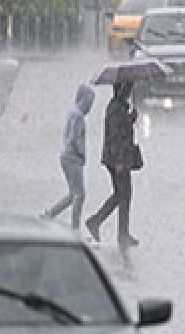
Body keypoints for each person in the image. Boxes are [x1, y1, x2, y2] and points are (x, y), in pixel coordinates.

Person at [86, 81, 141, 248]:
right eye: (128, 89)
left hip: (120, 157)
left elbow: (122, 129)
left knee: (124, 194)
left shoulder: (119, 107)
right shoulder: (117, 109)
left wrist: (131, 118)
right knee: (121, 194)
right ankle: (96, 221)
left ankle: (122, 233)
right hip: (117, 158)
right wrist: (118, 160)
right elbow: (116, 136)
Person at [42, 83, 95, 231]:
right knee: (80, 194)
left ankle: (51, 214)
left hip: (66, 156)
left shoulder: (72, 112)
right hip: (73, 158)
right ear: (83, 100)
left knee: (73, 193)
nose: (90, 107)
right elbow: (75, 138)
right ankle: (75, 228)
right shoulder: (78, 117)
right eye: (90, 102)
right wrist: (82, 154)